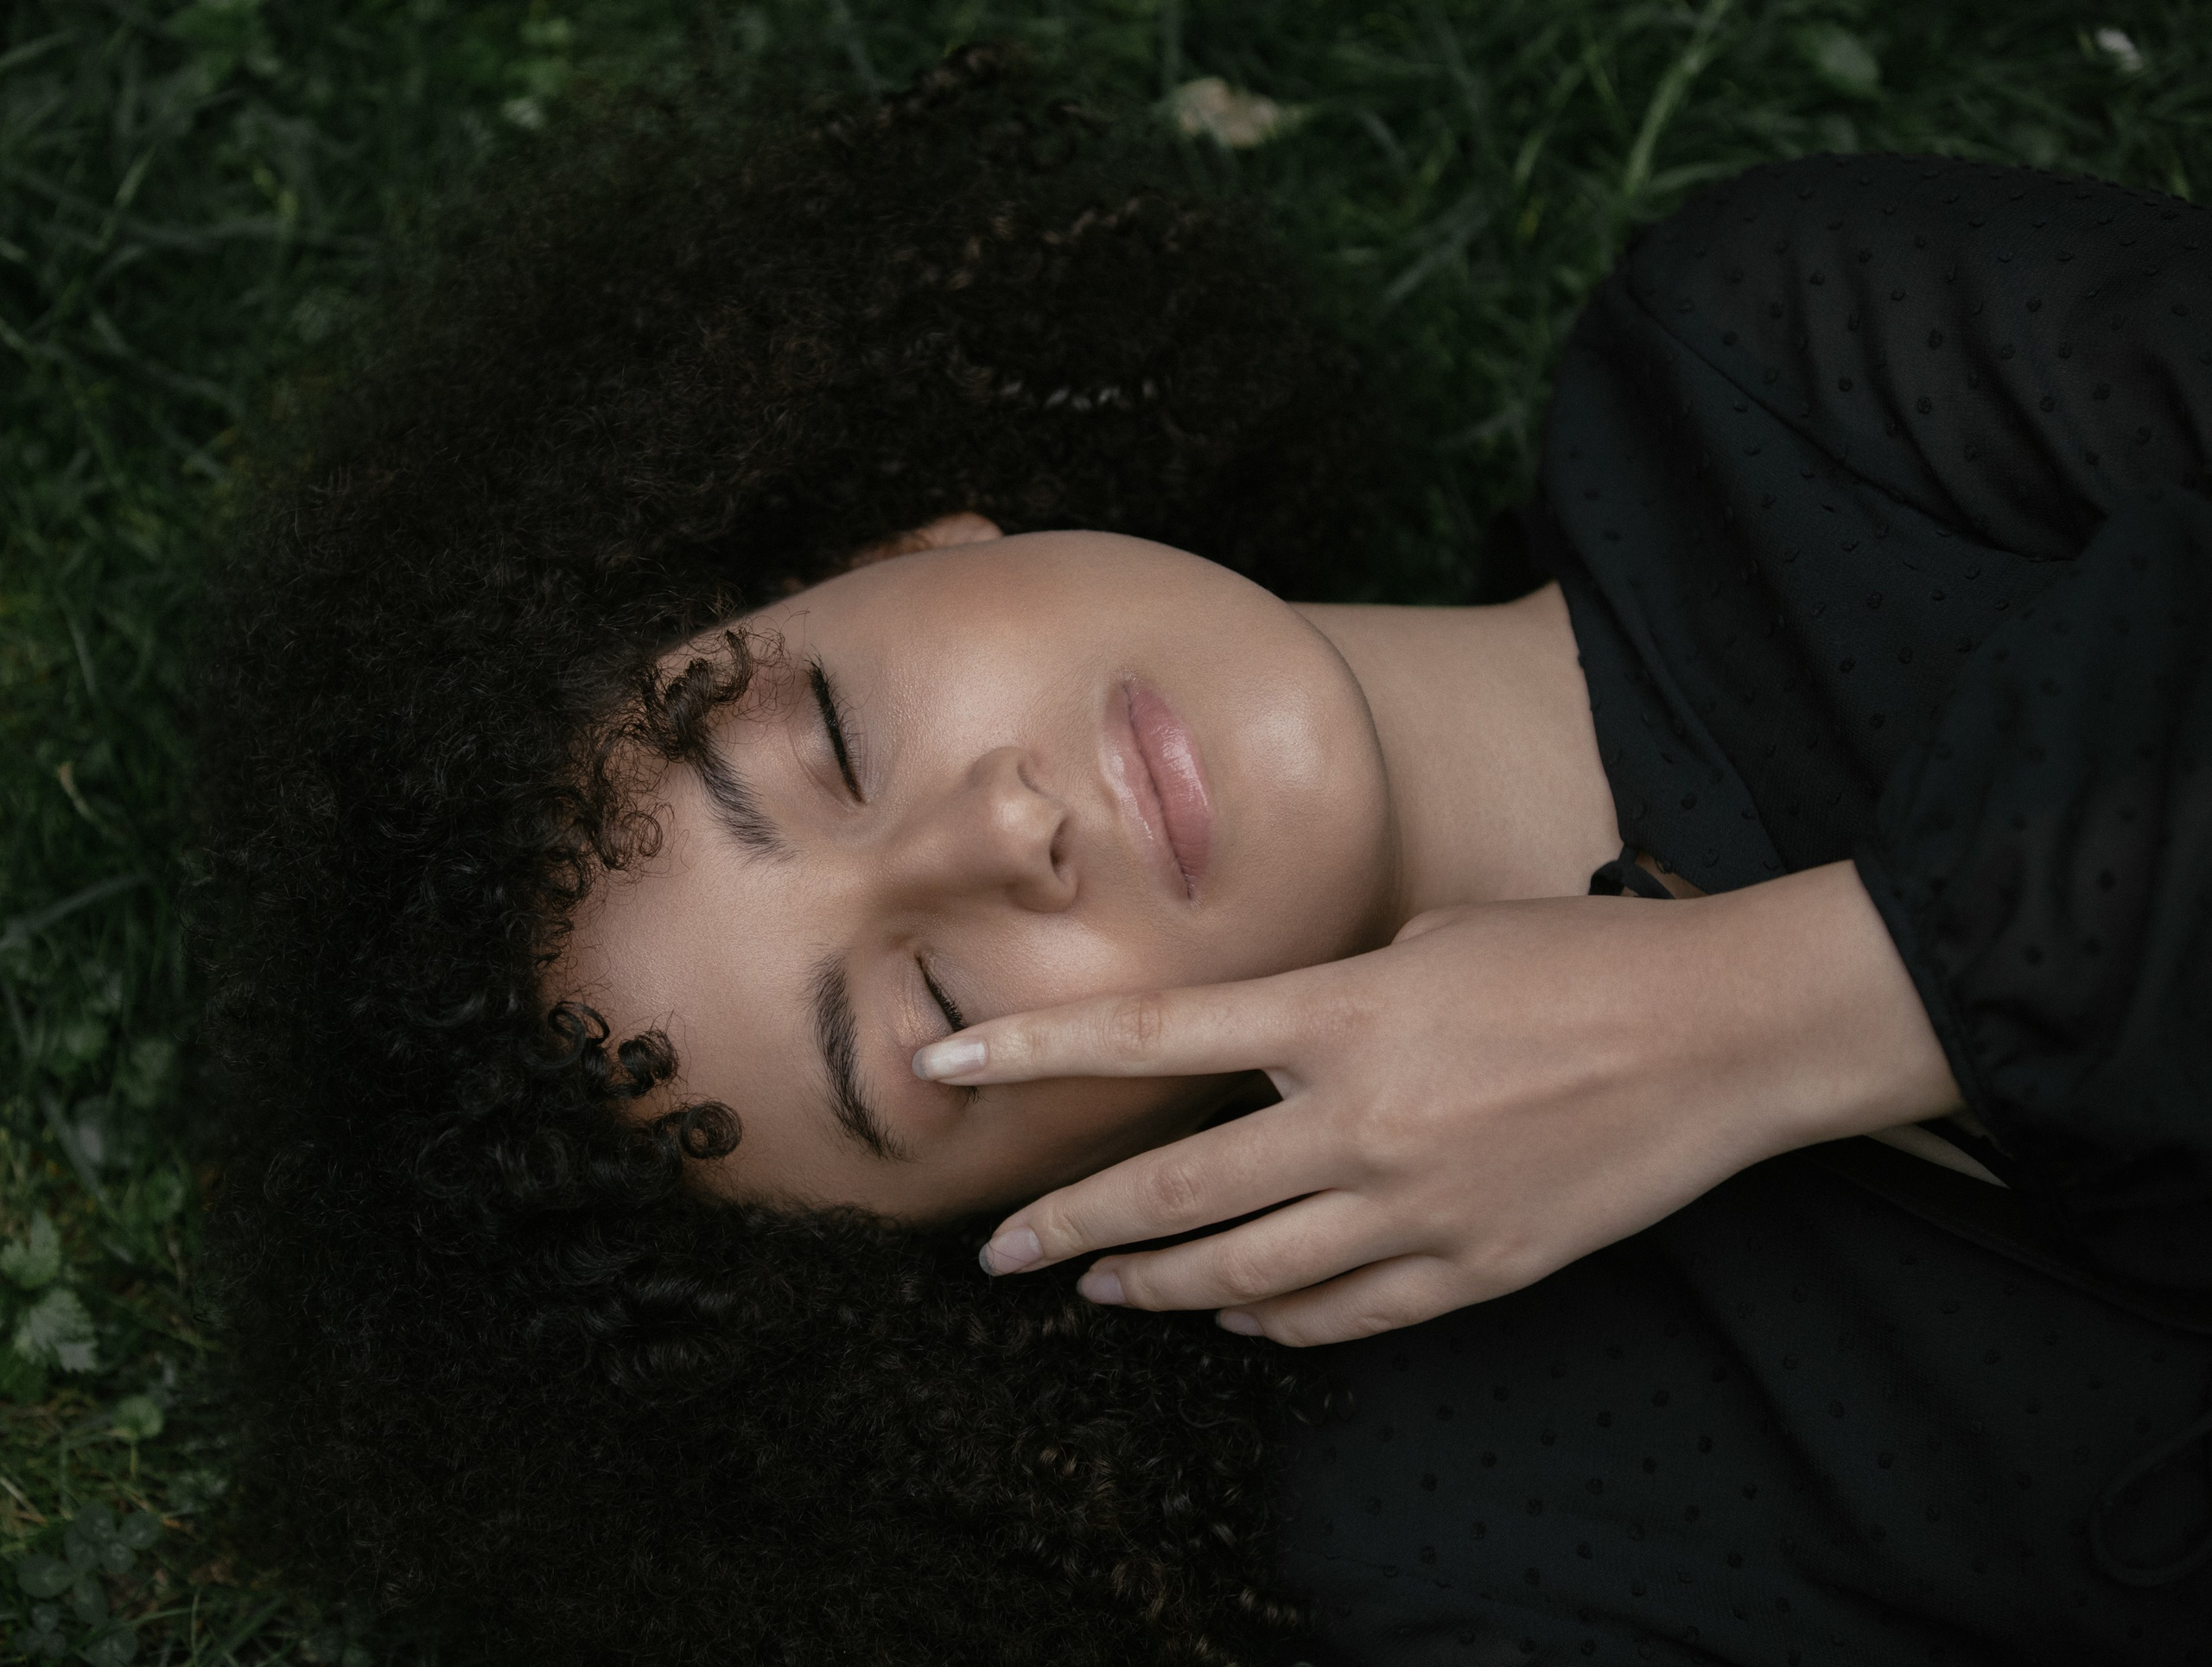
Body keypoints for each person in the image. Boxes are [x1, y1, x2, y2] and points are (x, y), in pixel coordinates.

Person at [199, 49, 2210, 1667]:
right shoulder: (1461, 1521)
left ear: (906, 538)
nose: (1003, 831)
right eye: (941, 1018)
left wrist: (1781, 1008)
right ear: (1058, 1199)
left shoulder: (1778, 361)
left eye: (828, 737)